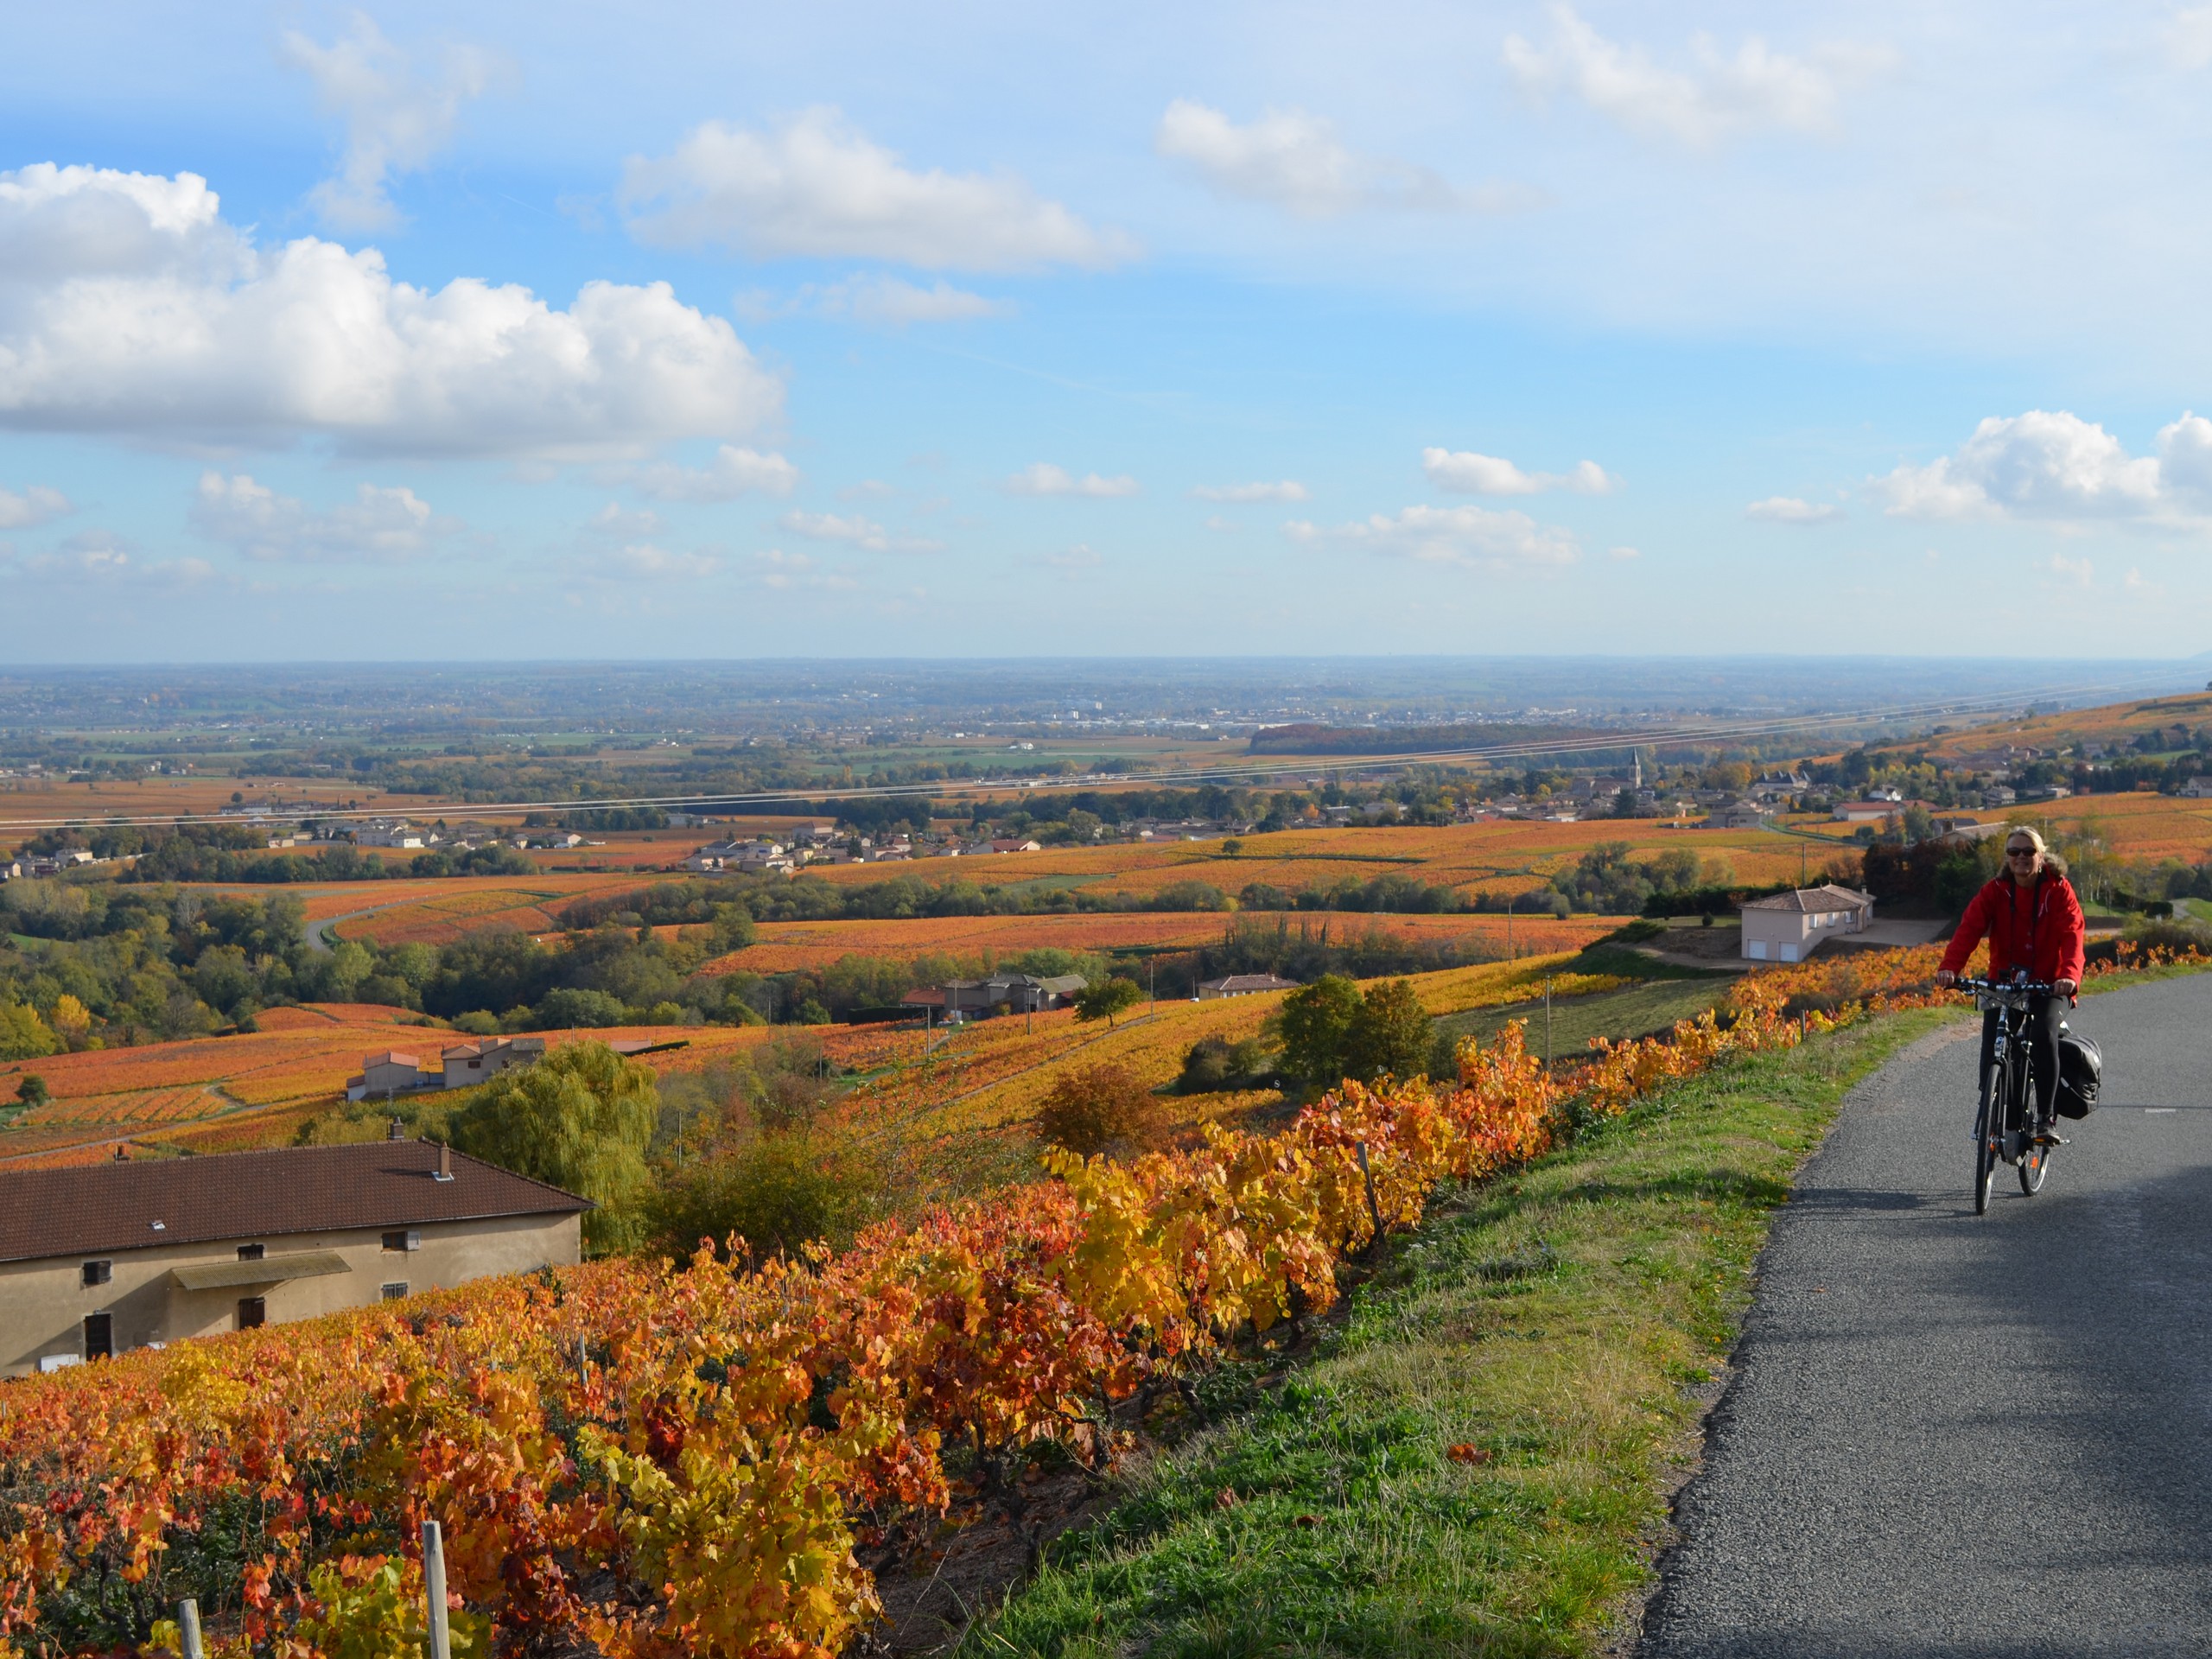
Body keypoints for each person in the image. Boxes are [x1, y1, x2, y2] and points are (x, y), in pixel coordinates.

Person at [1934, 826, 2085, 1143]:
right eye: (2014, 852)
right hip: (2004, 984)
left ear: (2041, 857)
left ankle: (2045, 1117)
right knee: (1993, 1045)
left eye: (2028, 852)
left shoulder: (2059, 890)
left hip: (2050, 984)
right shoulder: (1995, 891)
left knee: (2043, 1034)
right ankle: (1991, 1102)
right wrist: (1950, 968)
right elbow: (1969, 929)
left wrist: (2069, 975)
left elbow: (2073, 933)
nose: (2021, 858)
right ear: (2006, 858)